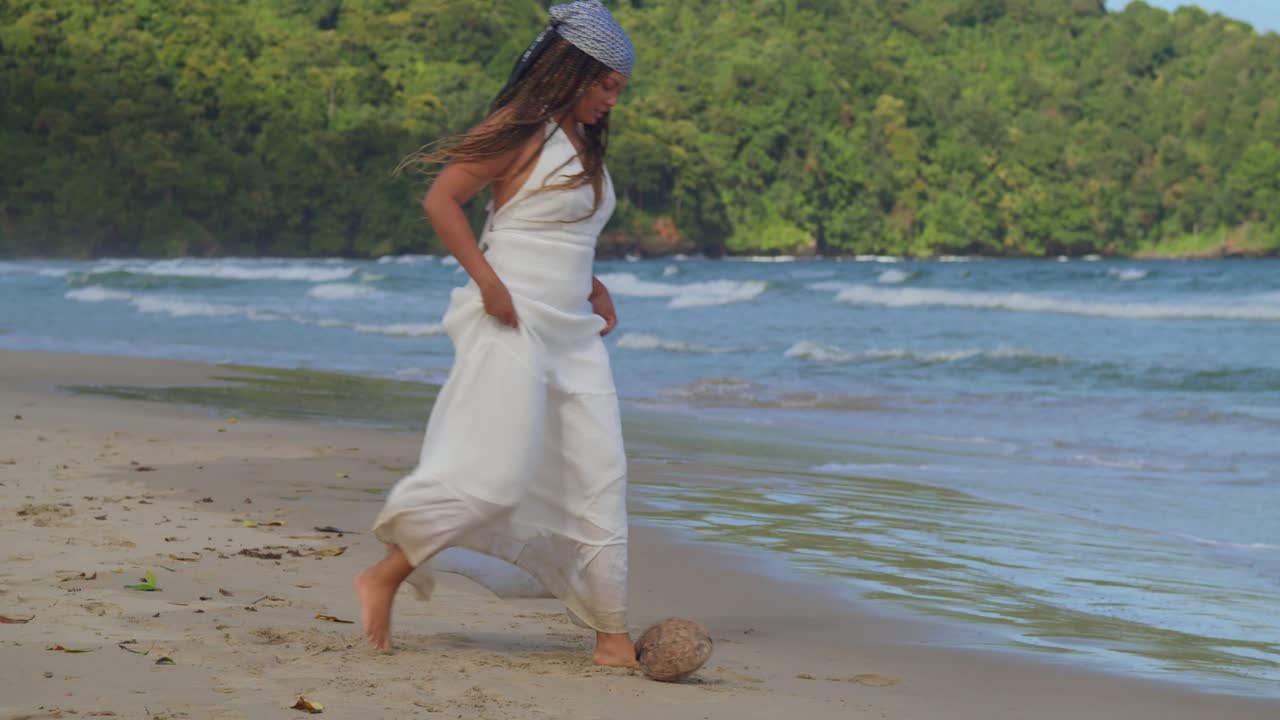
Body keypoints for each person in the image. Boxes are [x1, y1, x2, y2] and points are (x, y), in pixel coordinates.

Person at [354, 0, 639, 669]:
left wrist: (593, 283)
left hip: (572, 334)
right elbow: (441, 200)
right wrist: (487, 282)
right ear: (571, 71)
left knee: (599, 474)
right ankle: (385, 576)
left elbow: (559, 231)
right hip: (512, 321)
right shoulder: (521, 129)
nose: (611, 100)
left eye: (618, 89)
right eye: (605, 85)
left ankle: (612, 635)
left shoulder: (581, 142)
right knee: (495, 476)